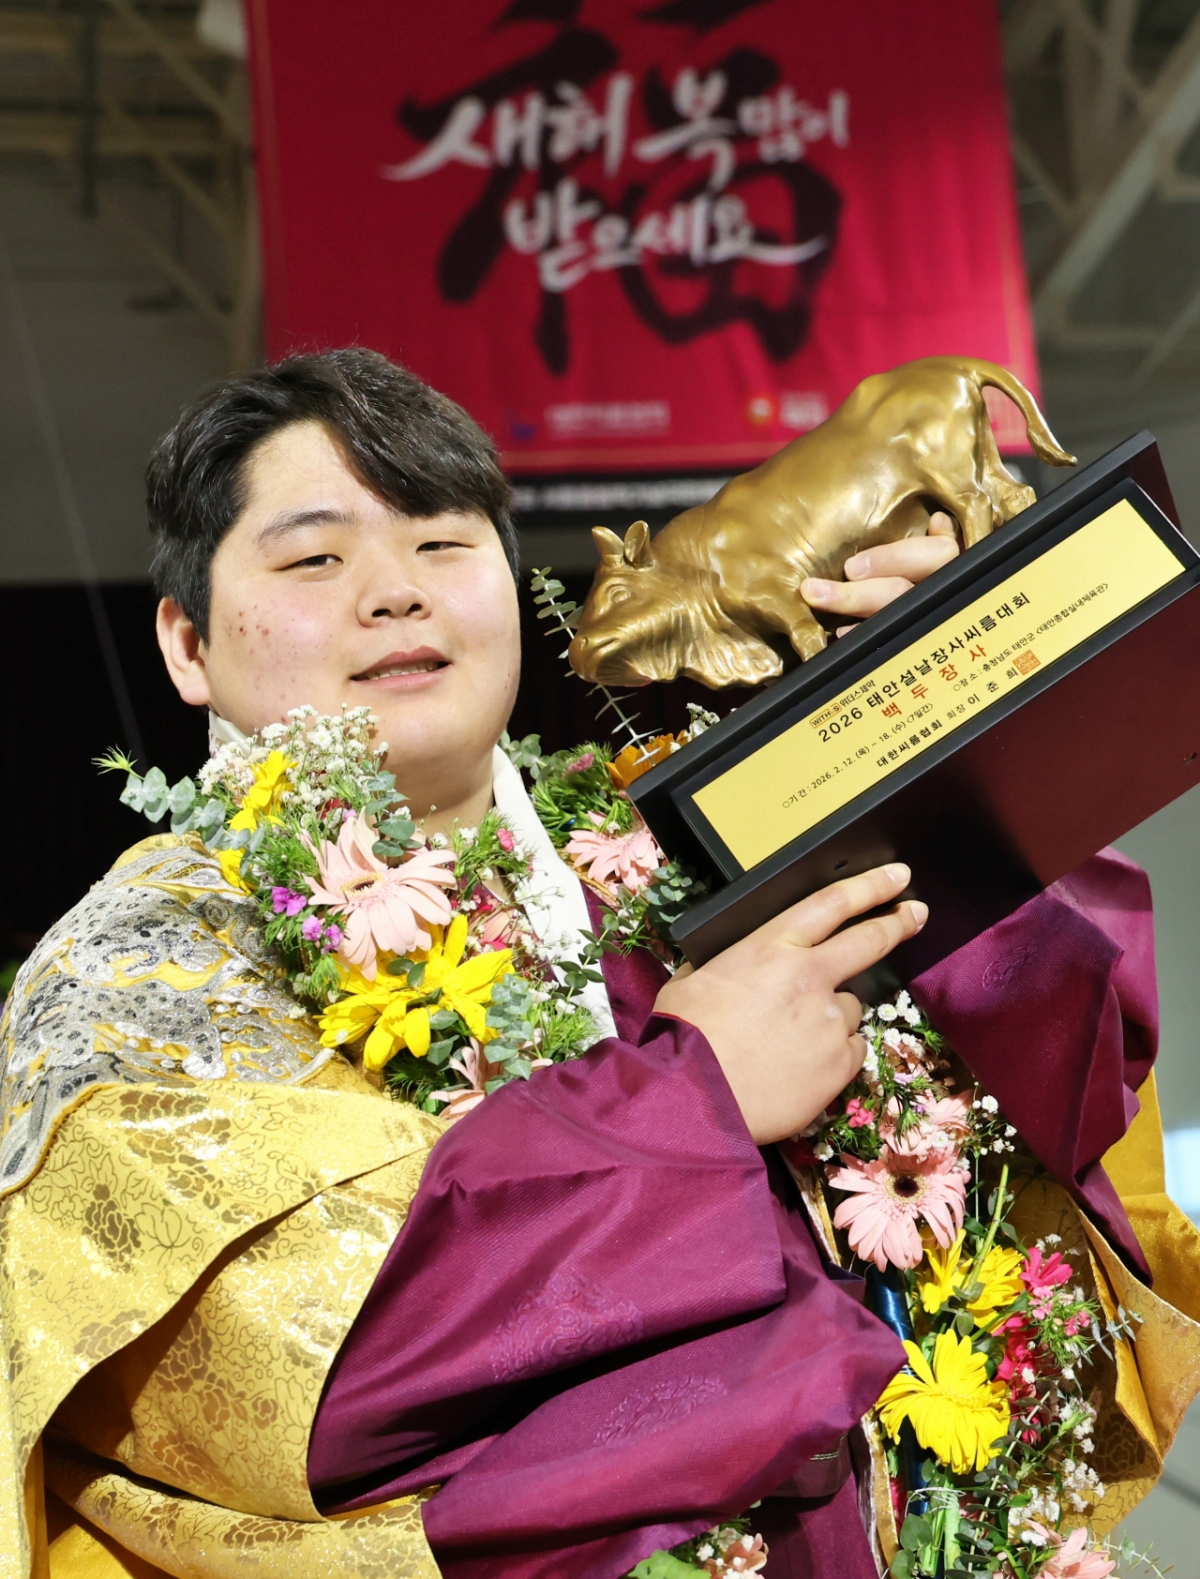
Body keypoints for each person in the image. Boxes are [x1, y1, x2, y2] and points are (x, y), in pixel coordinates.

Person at [4, 350, 1188, 1579]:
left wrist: (940, 719)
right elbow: (304, 1368)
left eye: (443, 545)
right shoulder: (140, 970)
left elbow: (1071, 1102)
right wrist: (695, 1096)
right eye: (314, 558)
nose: (394, 594)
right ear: (187, 642)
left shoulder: (660, 870)